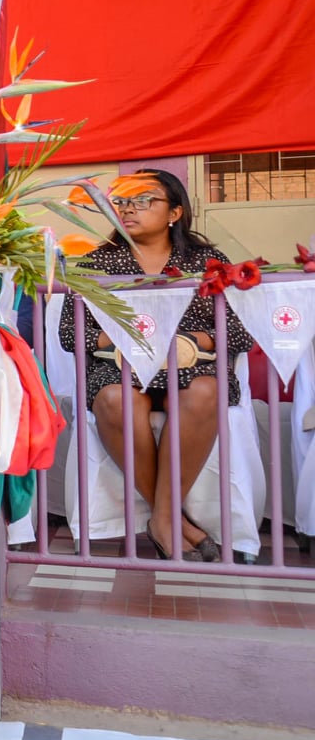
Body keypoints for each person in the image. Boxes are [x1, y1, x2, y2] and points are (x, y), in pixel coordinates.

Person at [57, 169, 255, 562]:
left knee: (205, 390)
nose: (128, 209)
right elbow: (70, 334)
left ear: (175, 213)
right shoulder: (97, 261)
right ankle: (175, 524)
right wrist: (128, 339)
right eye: (122, 201)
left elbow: (240, 332)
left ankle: (163, 518)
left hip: (191, 367)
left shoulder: (206, 260)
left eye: (144, 200)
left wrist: (189, 341)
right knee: (117, 398)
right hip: (121, 368)